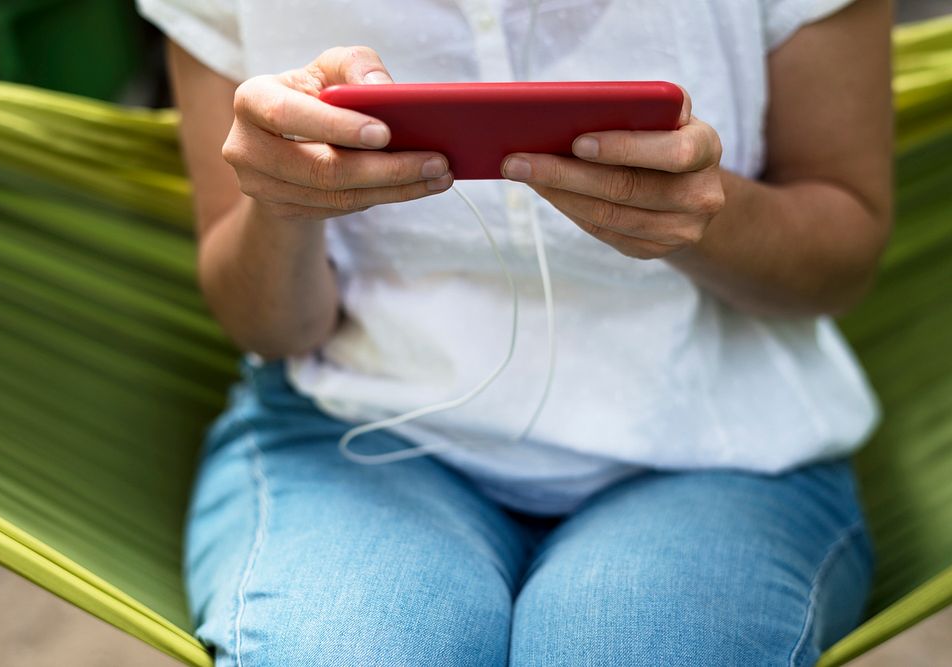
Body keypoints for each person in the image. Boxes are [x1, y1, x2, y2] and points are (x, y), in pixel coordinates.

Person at [137, 0, 892, 664]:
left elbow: (843, 265)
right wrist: (283, 204)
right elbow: (269, 328)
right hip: (358, 436)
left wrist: (705, 213)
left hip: (720, 442)